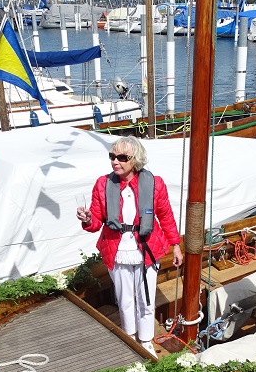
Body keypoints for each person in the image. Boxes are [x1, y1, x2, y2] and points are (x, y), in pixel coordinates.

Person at [77, 136, 183, 356]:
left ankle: (146, 341)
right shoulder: (102, 184)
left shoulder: (155, 183)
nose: (115, 162)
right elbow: (96, 221)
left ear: (135, 159)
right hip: (116, 251)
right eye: (112, 157)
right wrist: (87, 218)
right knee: (124, 300)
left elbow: (165, 216)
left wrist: (175, 245)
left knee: (145, 299)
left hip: (147, 249)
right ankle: (130, 339)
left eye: (122, 157)